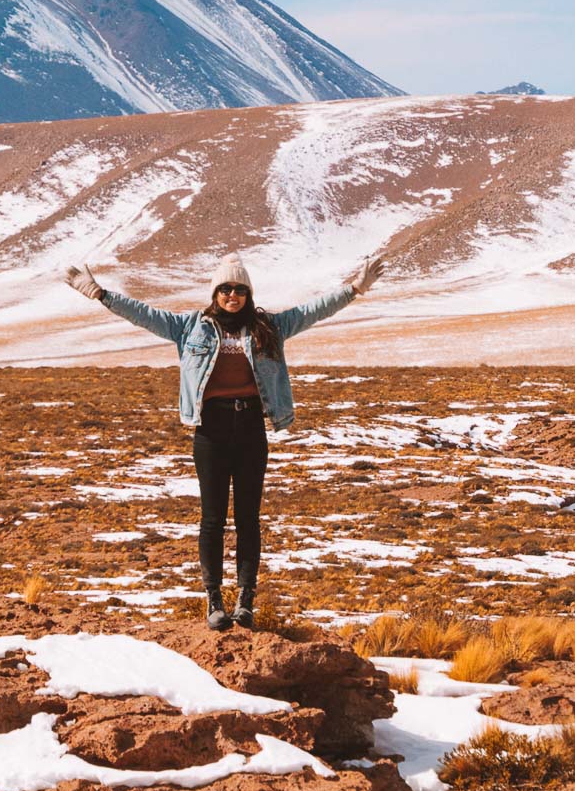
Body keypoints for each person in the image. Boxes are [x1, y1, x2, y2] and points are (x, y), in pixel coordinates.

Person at [63, 252, 385, 630]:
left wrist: (354, 289)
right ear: (215, 292)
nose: (233, 295)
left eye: (240, 289)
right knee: (212, 519)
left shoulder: (269, 326)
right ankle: (214, 600)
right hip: (211, 430)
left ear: (249, 294)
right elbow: (144, 314)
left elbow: (313, 310)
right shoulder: (189, 327)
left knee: (249, 518)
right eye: (226, 288)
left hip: (250, 427)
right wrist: (100, 294)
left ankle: (245, 600)